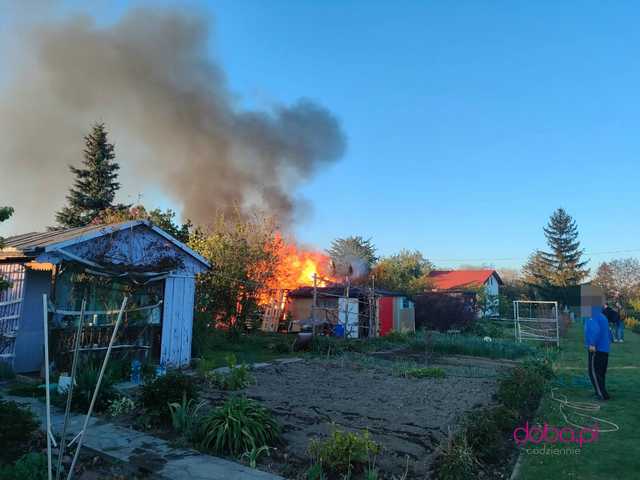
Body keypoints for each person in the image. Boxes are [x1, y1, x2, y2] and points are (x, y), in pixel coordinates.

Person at [585, 306, 611, 400]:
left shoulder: (593, 316)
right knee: (600, 373)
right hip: (604, 349)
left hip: (596, 349)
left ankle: (601, 394)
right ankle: (601, 391)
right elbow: (608, 332)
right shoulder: (602, 316)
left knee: (594, 372)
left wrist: (592, 343)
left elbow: (595, 331)